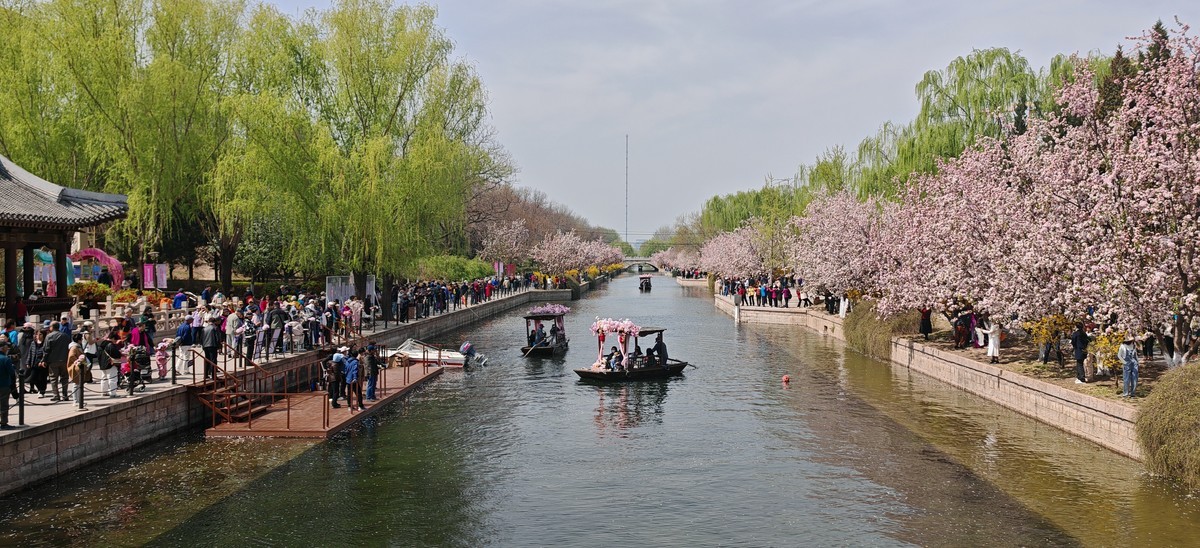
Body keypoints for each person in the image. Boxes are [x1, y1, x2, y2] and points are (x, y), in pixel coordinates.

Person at [42, 322, 71, 402]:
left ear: (52, 327)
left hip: (53, 360)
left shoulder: (49, 336)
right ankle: (65, 395)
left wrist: (44, 360)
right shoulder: (65, 336)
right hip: (64, 359)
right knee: (64, 378)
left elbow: (46, 349)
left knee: (53, 378)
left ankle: (56, 395)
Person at [0, 340, 16, 428]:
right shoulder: (6, 359)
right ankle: (3, 423)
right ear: (2, 348)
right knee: (3, 404)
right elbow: (11, 373)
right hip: (4, 385)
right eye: (6, 347)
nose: (8, 348)